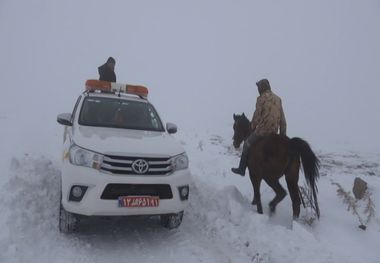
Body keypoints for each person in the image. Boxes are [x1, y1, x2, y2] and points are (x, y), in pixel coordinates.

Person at [231, 78, 287, 176]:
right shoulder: (278, 99)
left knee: (246, 144)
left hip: (263, 130)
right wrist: (282, 136)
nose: (258, 89)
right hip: (274, 132)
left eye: (258, 87)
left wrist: (252, 127)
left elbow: (257, 115)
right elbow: (283, 120)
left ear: (261, 88)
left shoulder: (261, 99)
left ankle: (241, 169)